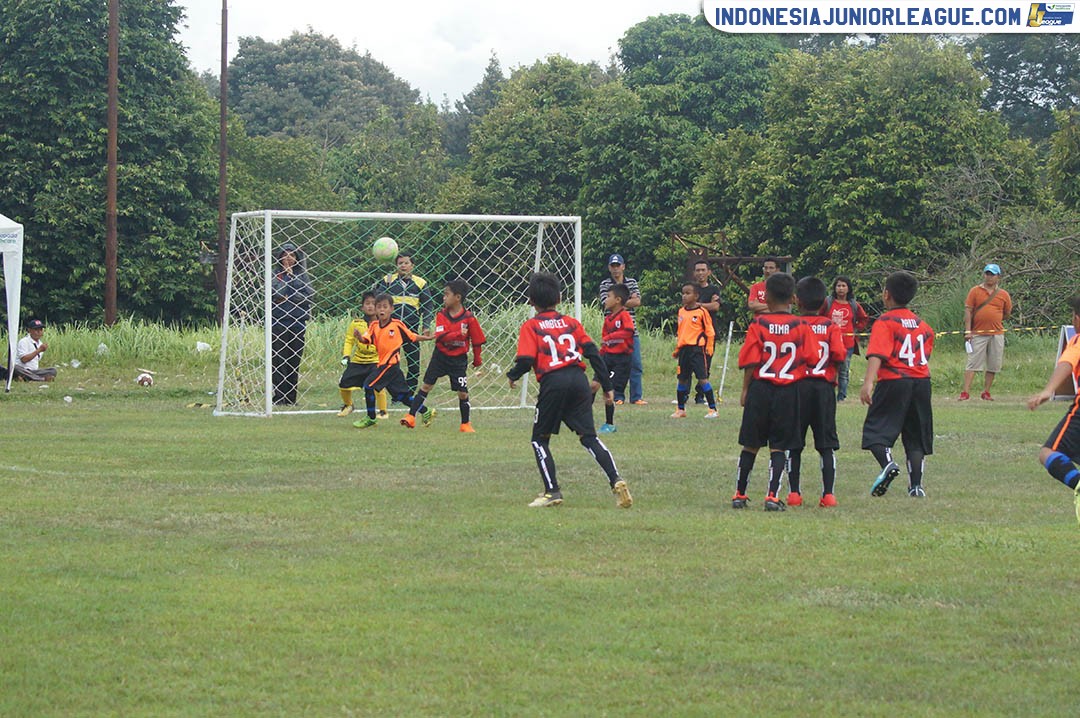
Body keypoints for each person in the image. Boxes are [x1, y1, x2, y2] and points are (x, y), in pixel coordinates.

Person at [507, 272, 633, 509]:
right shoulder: (571, 323)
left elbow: (525, 360)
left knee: (539, 440)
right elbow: (594, 353)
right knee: (589, 437)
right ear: (559, 298)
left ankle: (552, 491)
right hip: (578, 381)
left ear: (531, 300)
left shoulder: (531, 326)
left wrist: (512, 375)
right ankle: (616, 479)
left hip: (553, 383)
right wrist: (607, 387)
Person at [861, 271, 935, 498]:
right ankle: (916, 487)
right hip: (921, 382)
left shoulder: (885, 321)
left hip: (894, 380)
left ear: (886, 295)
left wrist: (868, 382)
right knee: (915, 437)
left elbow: (877, 354)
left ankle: (888, 465)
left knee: (875, 432)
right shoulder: (924, 326)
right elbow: (925, 354)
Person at [734, 272, 805, 511]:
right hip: (787, 390)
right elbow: (811, 357)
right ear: (793, 298)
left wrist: (745, 389)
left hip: (760, 388)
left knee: (750, 443)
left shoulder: (758, 324)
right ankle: (772, 496)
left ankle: (740, 494)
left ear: (768, 297)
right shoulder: (800, 325)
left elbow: (749, 360)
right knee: (779, 446)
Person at [789, 277, 847, 507]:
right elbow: (840, 355)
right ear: (824, 301)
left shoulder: (792, 325)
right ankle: (828, 494)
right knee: (826, 443)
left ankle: (794, 493)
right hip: (823, 388)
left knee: (794, 442)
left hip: (797, 387)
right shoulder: (830, 326)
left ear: (796, 301)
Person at [403, 279, 486, 433]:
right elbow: (441, 336)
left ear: (458, 297)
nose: (443, 297)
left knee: (462, 392)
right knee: (426, 386)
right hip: (440, 357)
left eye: (446, 294)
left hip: (458, 360)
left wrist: (477, 358)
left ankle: (465, 424)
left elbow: (477, 340)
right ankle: (411, 416)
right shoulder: (441, 315)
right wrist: (457, 334)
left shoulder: (469, 318)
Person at [1026, 294, 1080, 525]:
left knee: (1048, 453)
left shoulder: (1077, 340)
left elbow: (1067, 363)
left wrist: (1048, 390)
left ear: (1077, 318)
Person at [352, 294, 435, 429]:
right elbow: (366, 339)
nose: (381, 310)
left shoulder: (397, 325)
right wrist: (359, 337)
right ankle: (426, 411)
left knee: (368, 386)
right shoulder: (374, 326)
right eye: (378, 307)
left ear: (391, 309)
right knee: (402, 397)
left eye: (385, 306)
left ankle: (371, 418)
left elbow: (412, 336)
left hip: (389, 365)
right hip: (388, 367)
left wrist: (428, 338)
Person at [373, 253, 435, 395]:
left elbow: (427, 306)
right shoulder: (388, 280)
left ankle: (410, 391)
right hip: (391, 330)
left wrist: (426, 326)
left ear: (412, 266)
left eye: (406, 263)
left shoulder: (420, 283)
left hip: (411, 329)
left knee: (413, 362)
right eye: (400, 263)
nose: (403, 266)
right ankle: (397, 393)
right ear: (396, 266)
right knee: (392, 363)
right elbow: (378, 299)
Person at [960, 263, 1013, 401]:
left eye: (992, 274)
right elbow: (968, 311)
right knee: (973, 363)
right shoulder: (975, 291)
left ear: (998, 277)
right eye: (987, 274)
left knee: (993, 364)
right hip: (977, 332)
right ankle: (965, 392)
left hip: (997, 333)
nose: (989, 277)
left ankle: (986, 392)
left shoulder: (1003, 294)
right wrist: (968, 331)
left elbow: (1007, 313)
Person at [599, 254, 645, 404]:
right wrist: (625, 301)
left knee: (635, 364)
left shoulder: (631, 282)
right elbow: (606, 303)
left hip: (631, 331)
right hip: (613, 331)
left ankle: (636, 396)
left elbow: (637, 301)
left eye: (618, 265)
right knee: (617, 366)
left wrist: (620, 303)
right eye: (613, 266)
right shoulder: (605, 284)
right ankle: (618, 396)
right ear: (609, 268)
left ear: (623, 266)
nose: (616, 269)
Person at [271, 242, 313, 405]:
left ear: (297, 258)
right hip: (278, 322)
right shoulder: (275, 274)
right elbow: (276, 294)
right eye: (285, 254)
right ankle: (279, 397)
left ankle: (291, 398)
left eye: (292, 255)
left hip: (298, 322)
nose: (288, 258)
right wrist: (287, 280)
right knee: (279, 360)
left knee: (293, 361)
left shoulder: (302, 275)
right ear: (280, 257)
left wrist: (293, 281)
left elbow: (308, 296)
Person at [671, 283, 718, 419]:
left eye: (688, 293)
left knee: (702, 379)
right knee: (682, 380)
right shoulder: (681, 311)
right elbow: (681, 332)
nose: (684, 296)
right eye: (683, 293)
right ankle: (681, 409)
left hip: (697, 350)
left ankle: (712, 409)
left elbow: (710, 331)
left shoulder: (702, 312)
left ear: (696, 296)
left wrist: (709, 346)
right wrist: (678, 348)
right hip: (684, 350)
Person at [593, 283, 635, 434]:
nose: (605, 299)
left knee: (608, 392)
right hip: (607, 357)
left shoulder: (624, 316)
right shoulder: (608, 319)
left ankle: (609, 424)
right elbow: (605, 339)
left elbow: (629, 331)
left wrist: (611, 337)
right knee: (592, 386)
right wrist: (600, 354)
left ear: (617, 300)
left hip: (621, 360)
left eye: (608, 296)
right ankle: (584, 419)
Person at [821, 276, 870, 402]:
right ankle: (828, 395)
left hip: (847, 344)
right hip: (828, 342)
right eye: (838, 286)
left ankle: (842, 396)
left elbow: (864, 318)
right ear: (834, 288)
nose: (841, 289)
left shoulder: (854, 305)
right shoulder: (827, 302)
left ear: (848, 288)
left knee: (844, 370)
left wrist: (855, 329)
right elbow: (819, 317)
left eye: (843, 286)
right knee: (829, 369)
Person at [336, 292, 379, 417]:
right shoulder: (356, 323)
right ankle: (348, 405)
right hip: (358, 361)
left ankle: (382, 411)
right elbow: (349, 340)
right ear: (362, 307)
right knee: (343, 383)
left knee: (375, 386)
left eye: (373, 304)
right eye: (367, 304)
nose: (370, 306)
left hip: (376, 360)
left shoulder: (383, 324)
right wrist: (346, 355)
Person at [691, 259, 722, 404]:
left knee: (705, 364)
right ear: (694, 273)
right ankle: (683, 393)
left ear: (709, 272)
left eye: (703, 270)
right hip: (692, 332)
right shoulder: (690, 289)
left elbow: (715, 306)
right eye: (698, 270)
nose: (700, 273)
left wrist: (698, 305)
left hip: (709, 332)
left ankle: (700, 394)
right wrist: (706, 305)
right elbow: (687, 306)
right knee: (688, 364)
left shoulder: (714, 289)